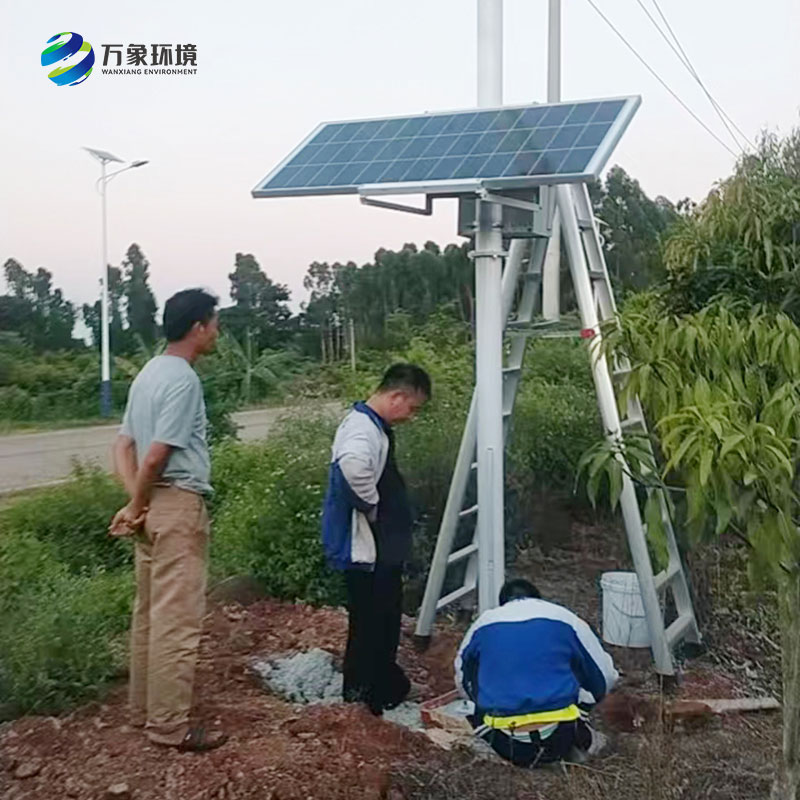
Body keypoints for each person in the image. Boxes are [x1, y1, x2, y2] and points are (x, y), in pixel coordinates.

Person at [109, 288, 227, 752]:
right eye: (214, 323)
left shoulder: (148, 374)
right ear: (198, 327)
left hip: (152, 505)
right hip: (175, 504)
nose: (217, 331)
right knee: (177, 620)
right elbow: (156, 454)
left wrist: (135, 503)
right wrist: (138, 504)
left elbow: (123, 446)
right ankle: (169, 726)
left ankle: (144, 712)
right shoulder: (182, 379)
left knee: (150, 615)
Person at [321, 363, 431, 715]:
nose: (410, 417)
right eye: (411, 408)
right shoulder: (361, 430)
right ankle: (360, 699)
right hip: (368, 550)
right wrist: (372, 507)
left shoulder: (373, 426)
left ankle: (383, 686)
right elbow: (353, 467)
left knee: (383, 620)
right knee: (369, 624)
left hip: (381, 549)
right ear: (396, 396)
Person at [454, 578, 617, 767]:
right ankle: (578, 741)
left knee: (468, 708)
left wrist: (482, 700)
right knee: (580, 693)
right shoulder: (564, 618)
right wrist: (586, 700)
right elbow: (605, 676)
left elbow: (462, 678)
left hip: (505, 744)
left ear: (503, 603)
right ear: (538, 599)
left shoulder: (483, 623)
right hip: (561, 738)